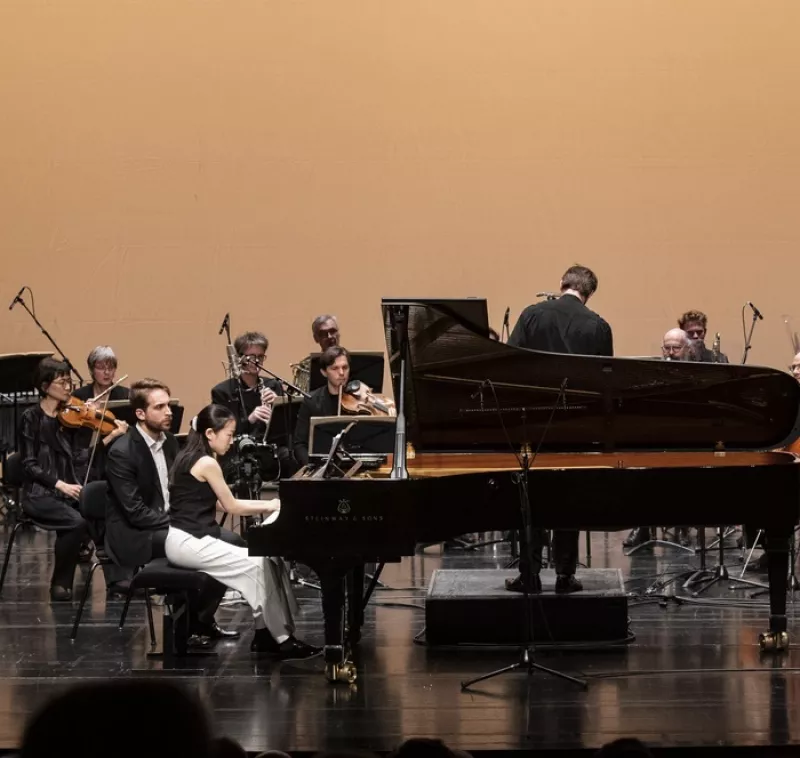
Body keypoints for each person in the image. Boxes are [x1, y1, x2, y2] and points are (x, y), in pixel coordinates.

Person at [165, 403, 320, 659]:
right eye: (228, 434)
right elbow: (231, 505)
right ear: (210, 434)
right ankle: (282, 639)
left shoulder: (190, 455)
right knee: (259, 564)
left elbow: (213, 502)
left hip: (184, 539)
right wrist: (272, 504)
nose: (232, 440)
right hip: (189, 542)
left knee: (262, 561)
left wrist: (269, 505)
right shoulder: (206, 462)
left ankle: (264, 635)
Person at [506, 264, 613, 594]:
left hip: (534, 423)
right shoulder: (598, 326)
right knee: (569, 499)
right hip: (576, 426)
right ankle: (565, 575)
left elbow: (509, 362)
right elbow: (604, 381)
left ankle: (530, 575)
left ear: (563, 284)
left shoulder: (532, 315)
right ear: (589, 293)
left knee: (531, 498)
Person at [105, 379, 237, 632]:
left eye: (169, 405)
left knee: (233, 541)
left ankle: (199, 620)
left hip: (170, 523)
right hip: (136, 534)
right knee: (215, 542)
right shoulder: (122, 452)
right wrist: (183, 521)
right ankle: (192, 624)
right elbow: (136, 513)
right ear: (140, 414)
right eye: (160, 407)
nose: (169, 412)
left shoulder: (170, 442)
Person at [19, 358, 126, 600]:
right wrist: (60, 485)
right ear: (45, 386)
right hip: (39, 493)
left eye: (69, 382)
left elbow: (81, 457)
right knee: (76, 522)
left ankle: (118, 581)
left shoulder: (70, 418)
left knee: (105, 511)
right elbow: (28, 465)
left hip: (68, 489)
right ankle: (60, 583)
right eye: (62, 382)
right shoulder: (31, 418)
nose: (69, 388)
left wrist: (111, 436)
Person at [293, 346, 351, 467]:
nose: (341, 373)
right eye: (335, 368)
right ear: (324, 372)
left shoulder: (358, 399)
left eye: (345, 367)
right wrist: (311, 469)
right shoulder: (311, 401)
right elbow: (300, 444)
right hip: (320, 466)